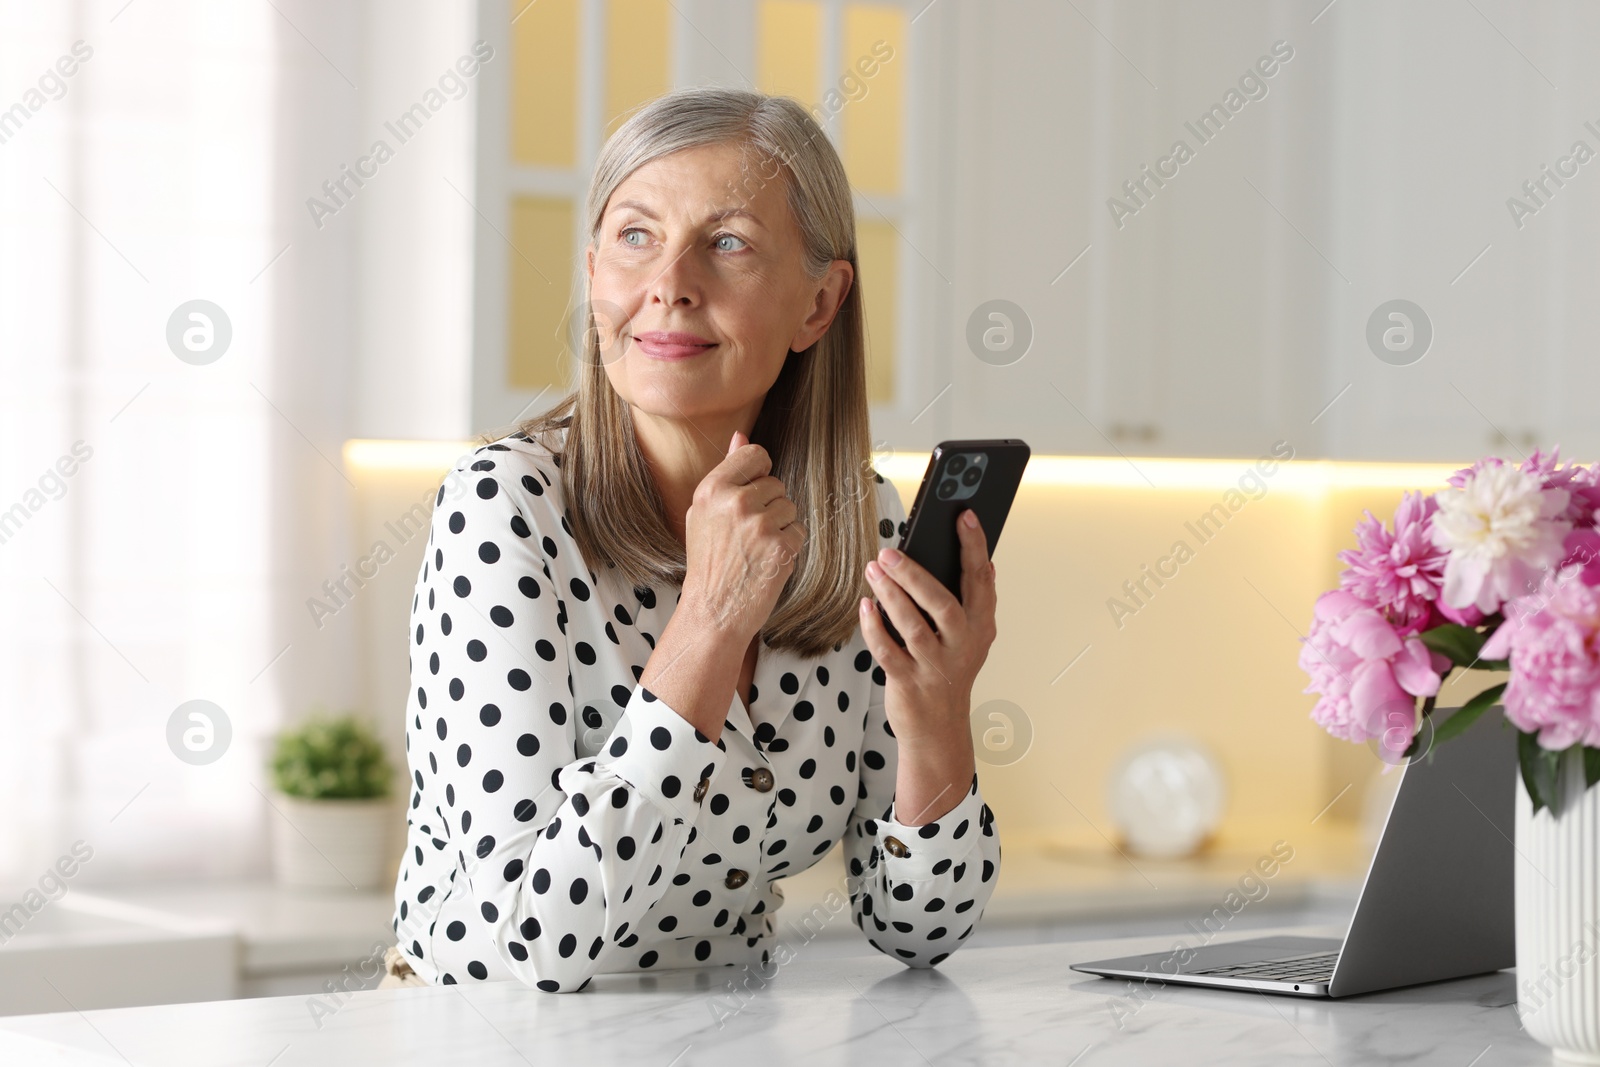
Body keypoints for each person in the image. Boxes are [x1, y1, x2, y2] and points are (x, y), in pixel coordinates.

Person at [385, 85, 1002, 993]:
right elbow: (530, 937)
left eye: (728, 244)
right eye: (635, 237)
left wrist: (937, 715)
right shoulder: (507, 506)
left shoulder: (858, 522)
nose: (669, 283)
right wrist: (710, 621)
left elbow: (920, 928)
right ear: (595, 272)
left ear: (820, 304)